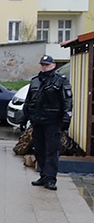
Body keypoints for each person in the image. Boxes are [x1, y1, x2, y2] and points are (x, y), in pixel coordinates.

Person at [22, 55, 73, 191]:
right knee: (39, 149)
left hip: (53, 122)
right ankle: (43, 175)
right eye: (43, 65)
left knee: (52, 150)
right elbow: (29, 101)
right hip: (38, 122)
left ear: (53, 65)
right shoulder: (35, 81)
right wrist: (24, 117)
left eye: (47, 65)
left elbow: (67, 101)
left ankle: (50, 179)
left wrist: (66, 119)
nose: (44, 67)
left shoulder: (61, 81)